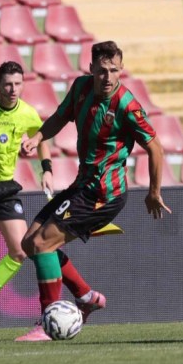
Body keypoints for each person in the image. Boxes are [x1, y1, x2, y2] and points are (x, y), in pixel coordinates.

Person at [19, 41, 172, 341]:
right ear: (91, 69)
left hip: (104, 195)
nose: (108, 77)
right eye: (102, 71)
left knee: (43, 244)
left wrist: (154, 192)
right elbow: (61, 117)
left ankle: (47, 323)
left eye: (114, 70)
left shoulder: (127, 105)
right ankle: (86, 298)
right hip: (82, 185)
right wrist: (37, 137)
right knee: (29, 244)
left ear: (121, 69)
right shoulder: (80, 88)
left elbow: (155, 148)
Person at [0, 61, 105, 337]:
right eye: (7, 84)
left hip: (5, 188)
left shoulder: (28, 113)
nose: (13, 89)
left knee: (21, 250)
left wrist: (47, 169)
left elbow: (41, 139)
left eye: (17, 83)